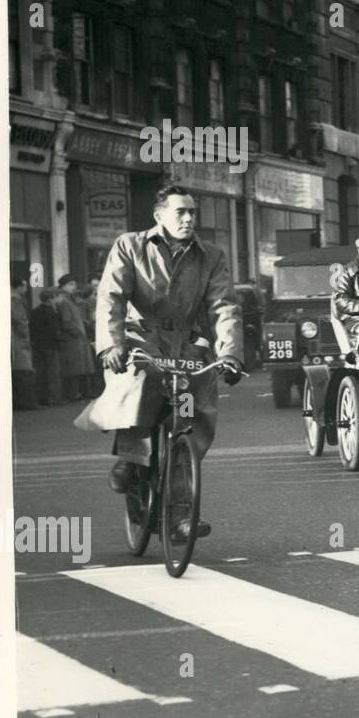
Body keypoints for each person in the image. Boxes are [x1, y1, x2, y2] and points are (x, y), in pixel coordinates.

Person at [77, 185, 243, 541]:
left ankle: (181, 516)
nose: (188, 219)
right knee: (138, 382)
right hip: (141, 337)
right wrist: (112, 344)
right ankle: (129, 456)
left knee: (190, 419)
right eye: (180, 212)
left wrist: (229, 353)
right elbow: (112, 297)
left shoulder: (211, 255)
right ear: (159, 216)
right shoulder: (130, 245)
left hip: (187, 343)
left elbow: (223, 306)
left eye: (192, 212)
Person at [30, 288, 62, 406]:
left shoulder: (35, 311)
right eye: (55, 297)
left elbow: (32, 329)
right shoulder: (51, 312)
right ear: (50, 299)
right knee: (52, 373)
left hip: (38, 345)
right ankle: (53, 399)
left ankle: (41, 398)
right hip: (51, 345)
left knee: (41, 372)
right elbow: (54, 331)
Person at [11, 275, 39, 410]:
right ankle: (27, 402)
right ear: (18, 287)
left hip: (13, 341)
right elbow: (20, 321)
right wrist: (26, 337)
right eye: (25, 286)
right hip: (18, 341)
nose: (27, 289)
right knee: (24, 371)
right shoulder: (15, 300)